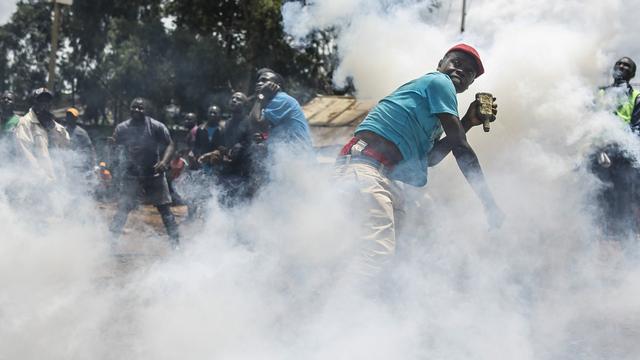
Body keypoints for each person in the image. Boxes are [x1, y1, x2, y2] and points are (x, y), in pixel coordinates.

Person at [335, 44, 504, 275]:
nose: (462, 71)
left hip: (379, 177)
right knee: (375, 257)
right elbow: (461, 149)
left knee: (388, 261)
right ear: (440, 64)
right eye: (456, 62)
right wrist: (489, 203)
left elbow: (430, 160)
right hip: (366, 169)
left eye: (469, 72)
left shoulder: (431, 118)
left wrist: (467, 122)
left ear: (470, 84)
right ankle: (344, 307)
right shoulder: (439, 82)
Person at [108, 98, 180, 249]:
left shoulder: (155, 126)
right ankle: (111, 243)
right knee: (123, 208)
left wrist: (164, 162)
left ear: (145, 110)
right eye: (134, 107)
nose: (137, 110)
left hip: (154, 173)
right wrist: (112, 148)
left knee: (165, 209)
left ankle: (176, 244)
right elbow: (114, 147)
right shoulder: (122, 128)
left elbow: (170, 145)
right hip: (132, 174)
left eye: (140, 108)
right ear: (130, 109)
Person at [592, 57, 640, 236]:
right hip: (598, 152)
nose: (621, 66)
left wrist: (618, 147)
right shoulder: (600, 93)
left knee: (626, 198)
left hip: (623, 155)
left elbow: (637, 128)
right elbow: (589, 120)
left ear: (632, 73)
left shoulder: (636, 98)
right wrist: (599, 148)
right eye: (619, 64)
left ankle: (625, 236)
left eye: (626, 65)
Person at [14, 88, 70, 182]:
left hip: (58, 180)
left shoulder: (53, 124)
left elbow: (66, 144)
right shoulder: (25, 122)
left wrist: (52, 127)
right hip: (38, 183)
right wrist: (43, 179)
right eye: (41, 101)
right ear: (34, 103)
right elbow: (25, 154)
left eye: (47, 101)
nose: (44, 104)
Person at [249, 68, 313, 150]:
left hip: (296, 156)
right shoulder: (269, 103)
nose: (259, 83)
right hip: (290, 156)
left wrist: (260, 97)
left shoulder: (281, 99)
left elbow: (256, 123)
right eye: (258, 81)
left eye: (264, 80)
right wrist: (265, 138)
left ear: (276, 85)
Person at [64, 107, 96, 175]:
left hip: (79, 164)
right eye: (68, 116)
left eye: (72, 116)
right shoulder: (62, 130)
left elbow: (89, 148)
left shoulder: (81, 132)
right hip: (67, 162)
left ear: (76, 118)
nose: (69, 118)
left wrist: (92, 163)